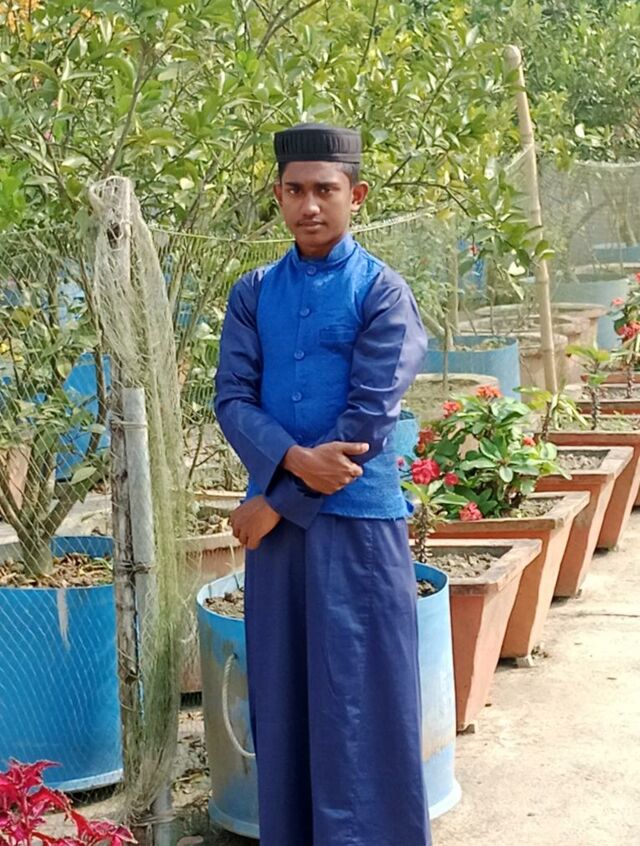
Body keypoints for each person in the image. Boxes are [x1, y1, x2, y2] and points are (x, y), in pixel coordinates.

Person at [214, 123, 431, 846]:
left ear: (355, 196)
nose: (310, 205)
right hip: (279, 539)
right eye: (295, 190)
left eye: (325, 190)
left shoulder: (383, 293)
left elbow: (366, 423)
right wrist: (296, 460)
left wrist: (277, 501)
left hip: (357, 530)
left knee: (361, 704)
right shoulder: (253, 293)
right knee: (284, 701)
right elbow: (232, 399)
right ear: (277, 195)